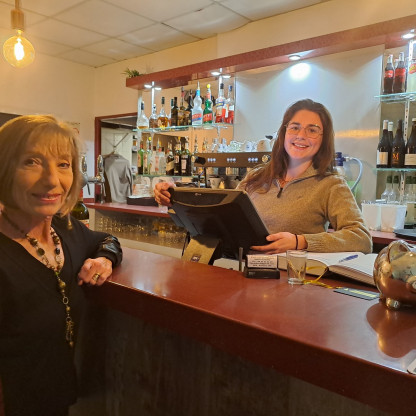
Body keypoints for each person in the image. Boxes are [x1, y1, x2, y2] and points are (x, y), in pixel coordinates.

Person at [0, 115, 123, 416]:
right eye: (31, 162)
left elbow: (106, 239)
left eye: (63, 164)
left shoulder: (64, 227)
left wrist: (104, 258)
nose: (52, 180)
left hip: (57, 398)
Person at [154, 98, 372, 254]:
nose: (301, 136)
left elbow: (362, 239)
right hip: (241, 274)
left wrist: (300, 242)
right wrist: (175, 197)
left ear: (323, 139)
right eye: (295, 127)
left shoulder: (330, 184)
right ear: (284, 133)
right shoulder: (256, 176)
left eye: (312, 130)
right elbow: (222, 214)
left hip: (291, 283)